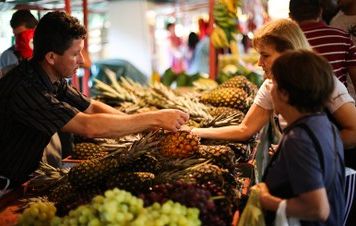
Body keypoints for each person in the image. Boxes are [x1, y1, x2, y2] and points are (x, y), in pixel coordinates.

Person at [0, 11, 189, 189]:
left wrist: (147, 126)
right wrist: (154, 118)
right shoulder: (26, 89)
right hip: (4, 184)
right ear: (51, 57)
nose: (82, 60)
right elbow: (88, 126)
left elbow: (91, 107)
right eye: (75, 54)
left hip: (21, 175)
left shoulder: (50, 78)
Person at [191, 19, 356, 151]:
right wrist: (194, 131)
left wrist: (302, 147)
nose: (259, 63)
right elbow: (245, 129)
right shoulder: (271, 84)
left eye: (265, 55)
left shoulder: (324, 83)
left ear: (288, 53)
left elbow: (353, 132)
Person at [255, 49, 345, 226]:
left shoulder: (299, 139)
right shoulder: (324, 124)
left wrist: (266, 200)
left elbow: (318, 209)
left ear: (285, 93)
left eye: (273, 83)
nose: (269, 89)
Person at [289, 0, 356, 102]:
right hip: (342, 107)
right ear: (320, 11)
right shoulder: (343, 37)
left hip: (303, 110)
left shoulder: (287, 42)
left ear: (291, 16)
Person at [0, 9, 38, 77]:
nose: (19, 40)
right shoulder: (7, 56)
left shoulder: (47, 53)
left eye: (22, 35)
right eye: (16, 36)